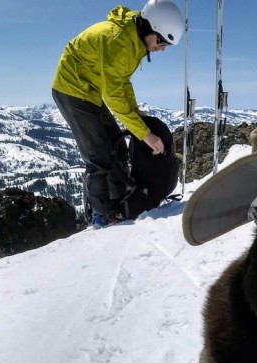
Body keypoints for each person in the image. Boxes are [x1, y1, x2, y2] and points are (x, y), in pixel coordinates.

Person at [52, 0, 183, 228]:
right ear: (150, 27)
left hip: (91, 90)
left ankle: (119, 205)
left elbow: (122, 82)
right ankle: (100, 215)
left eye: (166, 45)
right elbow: (113, 96)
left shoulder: (135, 41)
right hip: (71, 89)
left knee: (117, 146)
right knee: (99, 154)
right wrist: (144, 133)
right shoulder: (118, 41)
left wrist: (135, 112)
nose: (162, 48)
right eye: (161, 41)